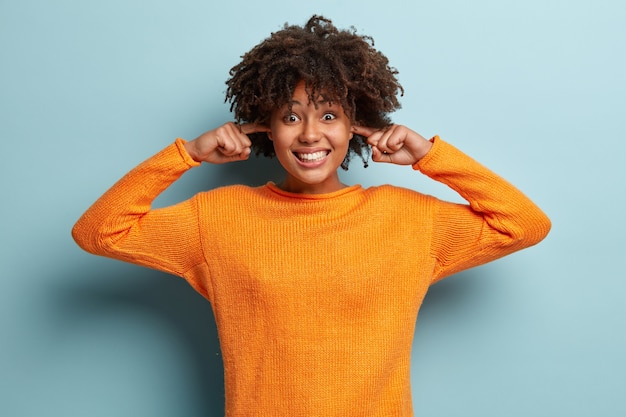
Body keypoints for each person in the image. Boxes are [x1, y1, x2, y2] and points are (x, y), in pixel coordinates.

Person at [72, 15, 551, 416]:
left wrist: (429, 155)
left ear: (354, 127)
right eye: (291, 115)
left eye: (328, 116)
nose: (308, 135)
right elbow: (98, 232)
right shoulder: (217, 218)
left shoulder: (407, 220)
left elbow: (524, 224)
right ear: (266, 127)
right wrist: (186, 154)